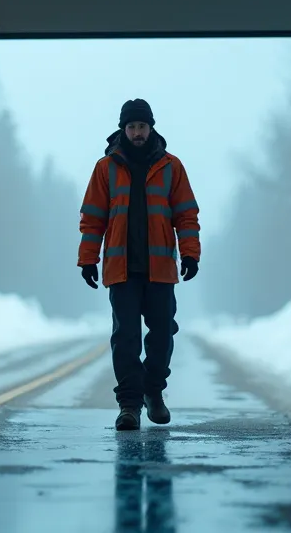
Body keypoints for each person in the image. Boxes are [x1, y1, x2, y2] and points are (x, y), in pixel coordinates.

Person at [78, 99, 201, 431]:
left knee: (162, 334)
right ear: (123, 129)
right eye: (131, 127)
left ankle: (154, 392)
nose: (136, 133)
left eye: (141, 127)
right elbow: (92, 219)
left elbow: (186, 215)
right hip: (121, 269)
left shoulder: (171, 167)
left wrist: (190, 254)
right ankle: (129, 406)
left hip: (160, 267)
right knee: (126, 337)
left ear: (151, 128)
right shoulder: (105, 169)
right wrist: (88, 259)